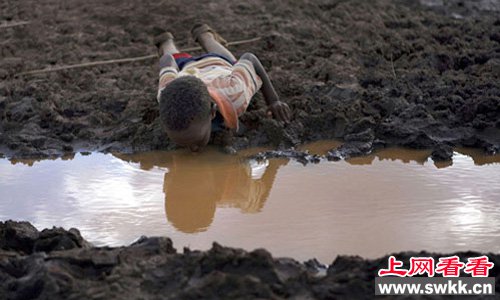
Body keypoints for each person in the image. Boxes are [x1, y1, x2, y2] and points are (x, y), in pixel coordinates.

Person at [155, 24, 291, 152]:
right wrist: (168, 65)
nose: (193, 150)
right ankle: (165, 42)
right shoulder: (165, 94)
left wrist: (273, 101)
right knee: (172, 55)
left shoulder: (235, 93)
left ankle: (204, 35)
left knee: (230, 61)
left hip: (217, 65)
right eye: (181, 144)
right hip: (188, 69)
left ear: (213, 112)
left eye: (197, 142)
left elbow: (250, 58)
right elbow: (166, 59)